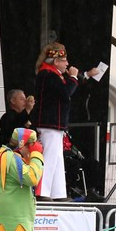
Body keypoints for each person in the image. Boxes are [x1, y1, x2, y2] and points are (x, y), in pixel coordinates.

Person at [33, 42, 94, 201]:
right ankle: (42, 192)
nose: (67, 63)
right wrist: (73, 77)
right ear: (56, 61)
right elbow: (65, 93)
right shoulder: (47, 74)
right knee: (49, 158)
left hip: (55, 124)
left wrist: (81, 76)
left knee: (58, 160)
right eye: (65, 60)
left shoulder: (53, 75)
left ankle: (58, 193)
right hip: (49, 123)